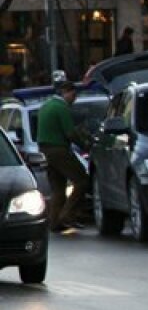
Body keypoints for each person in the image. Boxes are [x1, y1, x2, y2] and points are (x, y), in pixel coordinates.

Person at [36, 76, 91, 231]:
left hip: (46, 150)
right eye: (73, 96)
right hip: (59, 149)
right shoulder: (61, 108)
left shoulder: (46, 106)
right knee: (82, 180)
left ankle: (54, 223)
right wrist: (85, 145)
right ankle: (67, 215)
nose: (74, 100)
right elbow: (70, 134)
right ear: (65, 92)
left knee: (58, 188)